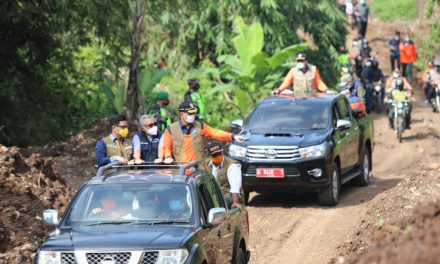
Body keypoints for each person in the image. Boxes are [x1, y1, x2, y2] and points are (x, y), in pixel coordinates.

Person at [163, 101, 246, 165]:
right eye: (190, 113)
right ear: (182, 114)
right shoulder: (171, 129)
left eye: (194, 113)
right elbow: (167, 147)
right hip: (180, 171)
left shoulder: (200, 126)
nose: (193, 115)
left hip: (198, 170)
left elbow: (215, 132)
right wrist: (168, 157)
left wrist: (233, 136)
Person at [206, 142, 243, 209]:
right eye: (214, 155)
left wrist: (235, 202)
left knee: (221, 202)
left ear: (222, 151)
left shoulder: (232, 165)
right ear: (209, 156)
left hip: (228, 195)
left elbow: (235, 186)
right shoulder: (206, 164)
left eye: (219, 154)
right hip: (213, 195)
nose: (218, 156)